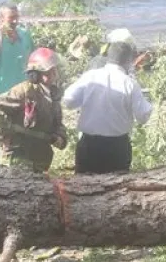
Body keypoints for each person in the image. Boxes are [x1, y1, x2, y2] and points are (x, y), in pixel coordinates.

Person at [63, 40, 152, 174]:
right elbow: (143, 116)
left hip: (89, 145)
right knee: (117, 191)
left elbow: (68, 101)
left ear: (108, 57)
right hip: (117, 148)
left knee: (83, 189)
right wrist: (149, 103)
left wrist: (86, 101)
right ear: (128, 61)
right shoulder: (130, 84)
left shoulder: (90, 77)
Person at [0, 47, 68, 172]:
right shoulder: (23, 91)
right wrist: (3, 137)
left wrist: (60, 138)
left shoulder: (53, 94)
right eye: (48, 72)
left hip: (42, 154)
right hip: (21, 152)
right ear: (35, 75)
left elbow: (58, 123)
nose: (53, 75)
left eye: (54, 70)